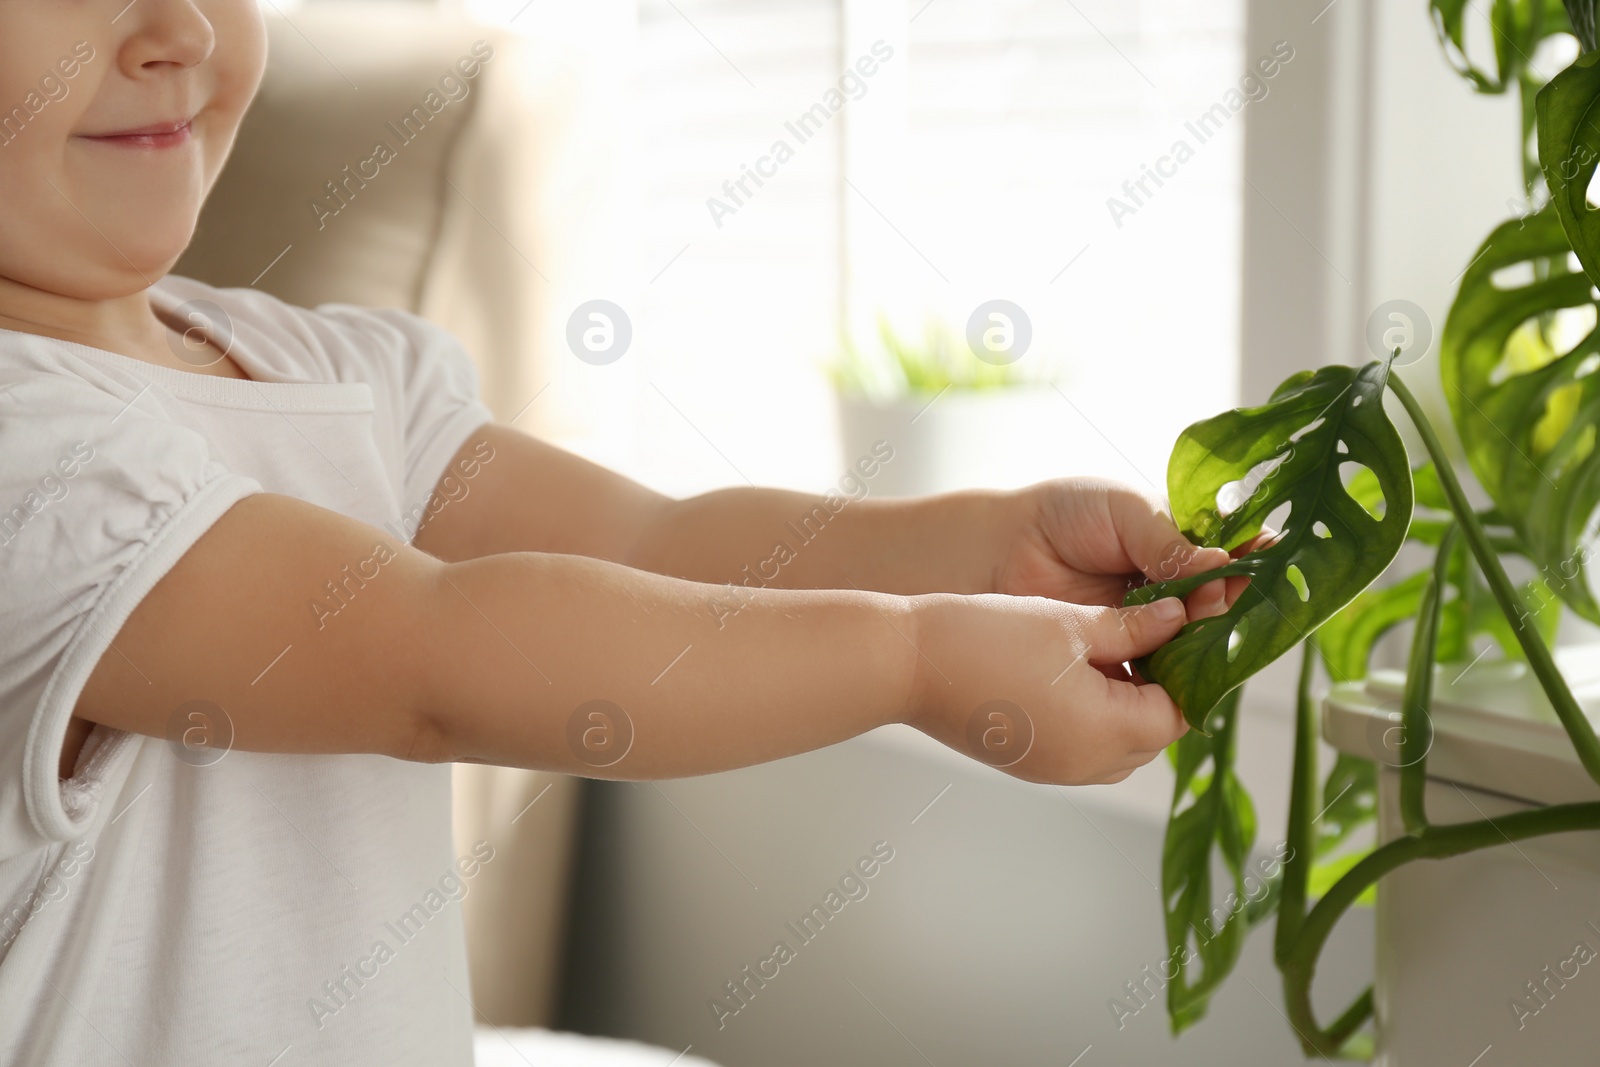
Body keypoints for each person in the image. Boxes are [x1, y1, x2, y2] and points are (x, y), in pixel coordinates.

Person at [0, 3, 1235, 1065]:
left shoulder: (331, 369)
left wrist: (977, 547)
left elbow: (656, 541)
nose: (182, 31)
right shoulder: (27, 443)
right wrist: (914, 658)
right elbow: (435, 659)